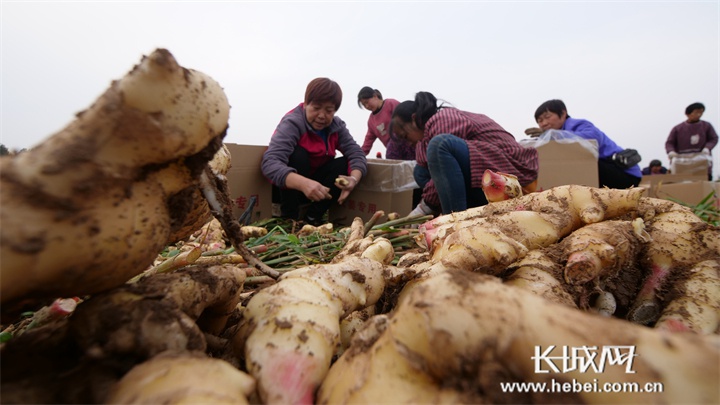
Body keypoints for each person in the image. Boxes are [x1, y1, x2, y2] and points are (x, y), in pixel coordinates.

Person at [391, 91, 539, 216]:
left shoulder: (443, 119)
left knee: (440, 145)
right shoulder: (425, 139)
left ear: (414, 119)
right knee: (420, 172)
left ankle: (455, 218)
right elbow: (428, 167)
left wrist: (423, 208)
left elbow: (442, 165)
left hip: (512, 176)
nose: (408, 143)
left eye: (405, 135)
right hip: (484, 175)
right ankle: (465, 210)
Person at [261, 78, 367, 225]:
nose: (322, 116)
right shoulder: (293, 123)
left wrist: (353, 180)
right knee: (298, 155)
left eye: (329, 110)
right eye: (316, 108)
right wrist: (303, 183)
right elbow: (270, 163)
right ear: (305, 104)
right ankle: (289, 219)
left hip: (317, 189)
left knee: (344, 163)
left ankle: (313, 217)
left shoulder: (337, 127)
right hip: (291, 188)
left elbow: (356, 153)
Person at [530, 99, 642, 189]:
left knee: (574, 165)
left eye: (547, 117)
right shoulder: (552, 136)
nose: (544, 123)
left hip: (625, 174)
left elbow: (591, 140)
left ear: (563, 113)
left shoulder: (580, 125)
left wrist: (553, 134)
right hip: (603, 173)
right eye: (539, 121)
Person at [357, 87, 416, 161]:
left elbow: (406, 119)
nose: (367, 106)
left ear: (375, 96)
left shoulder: (391, 104)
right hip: (394, 154)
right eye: (364, 105)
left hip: (409, 145)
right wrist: (357, 155)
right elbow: (368, 142)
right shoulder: (371, 121)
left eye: (367, 102)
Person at [665, 102, 718, 180]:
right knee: (681, 184)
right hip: (682, 161)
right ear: (688, 114)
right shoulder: (678, 128)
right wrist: (671, 151)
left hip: (701, 158)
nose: (699, 114)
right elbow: (670, 142)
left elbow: (714, 138)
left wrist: (707, 148)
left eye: (701, 112)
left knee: (704, 184)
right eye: (696, 112)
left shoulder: (706, 126)